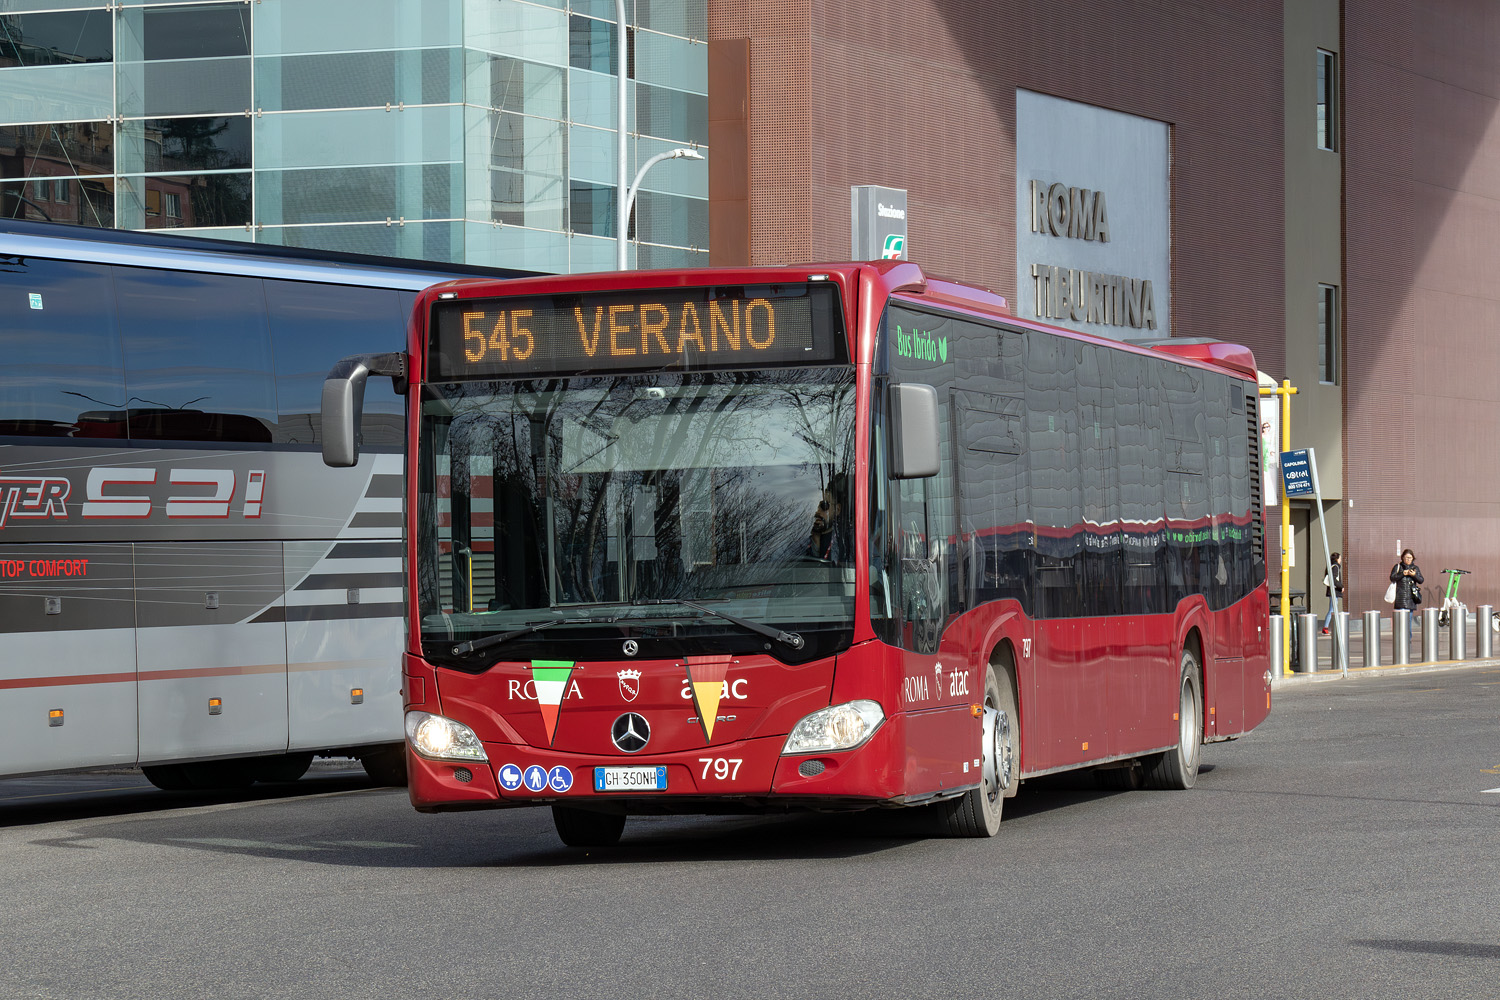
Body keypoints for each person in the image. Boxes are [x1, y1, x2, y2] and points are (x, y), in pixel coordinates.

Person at [1391, 548, 1424, 652]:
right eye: (1406, 558)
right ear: (1403, 558)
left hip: (1410, 598)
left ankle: (1408, 639)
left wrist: (1413, 575)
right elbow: (1392, 577)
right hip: (1400, 597)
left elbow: (1421, 580)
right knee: (1400, 620)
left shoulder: (1415, 568)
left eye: (1410, 558)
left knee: (1408, 620)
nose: (1408, 560)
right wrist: (1402, 574)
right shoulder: (1398, 567)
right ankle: (1400, 638)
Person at [806, 480, 847, 562]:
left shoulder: (846, 543)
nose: (817, 511)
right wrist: (815, 542)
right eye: (814, 506)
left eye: (824, 505)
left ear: (837, 509)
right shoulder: (803, 542)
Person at [1321, 552, 1345, 634]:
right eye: (1340, 558)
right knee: (1332, 609)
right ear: (1337, 559)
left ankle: (1327, 627)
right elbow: (1334, 580)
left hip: (1331, 591)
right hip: (1334, 591)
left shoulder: (1330, 566)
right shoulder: (1335, 567)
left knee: (1332, 609)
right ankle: (1326, 627)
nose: (1341, 560)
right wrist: (1341, 586)